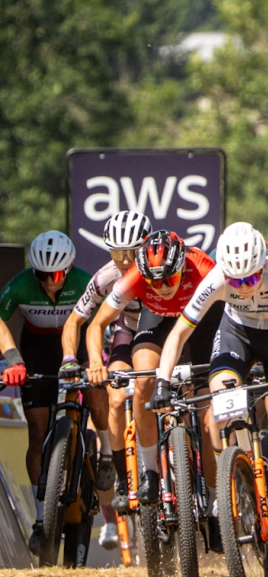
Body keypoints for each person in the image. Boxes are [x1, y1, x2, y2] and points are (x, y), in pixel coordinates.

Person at [152, 223, 268, 570]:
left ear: (261, 265)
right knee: (219, 405)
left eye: (251, 279)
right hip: (236, 334)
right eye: (236, 282)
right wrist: (161, 382)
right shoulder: (218, 278)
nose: (244, 286)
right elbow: (179, 333)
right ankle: (232, 482)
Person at [85, 230, 225, 542]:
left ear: (182, 268)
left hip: (201, 323)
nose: (161, 287)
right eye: (154, 282)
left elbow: (238, 308)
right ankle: (149, 472)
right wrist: (96, 360)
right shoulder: (137, 276)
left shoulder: (203, 266)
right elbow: (96, 324)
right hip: (159, 322)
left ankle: (218, 505)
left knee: (207, 418)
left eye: (168, 280)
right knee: (144, 382)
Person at [58, 209, 151, 543]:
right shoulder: (105, 277)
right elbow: (76, 322)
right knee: (114, 398)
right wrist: (80, 360)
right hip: (128, 334)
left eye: (132, 253)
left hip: (167, 333)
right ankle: (119, 471)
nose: (125, 261)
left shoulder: (162, 265)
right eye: (117, 253)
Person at [0, 231, 92, 555]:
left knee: (94, 393)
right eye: (41, 275)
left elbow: (100, 321)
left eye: (54, 276)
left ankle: (102, 454)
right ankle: (42, 519)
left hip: (75, 344)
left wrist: (94, 362)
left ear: (67, 271)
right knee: (37, 435)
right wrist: (12, 359)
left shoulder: (84, 281)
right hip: (36, 349)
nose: (48, 283)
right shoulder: (23, 284)